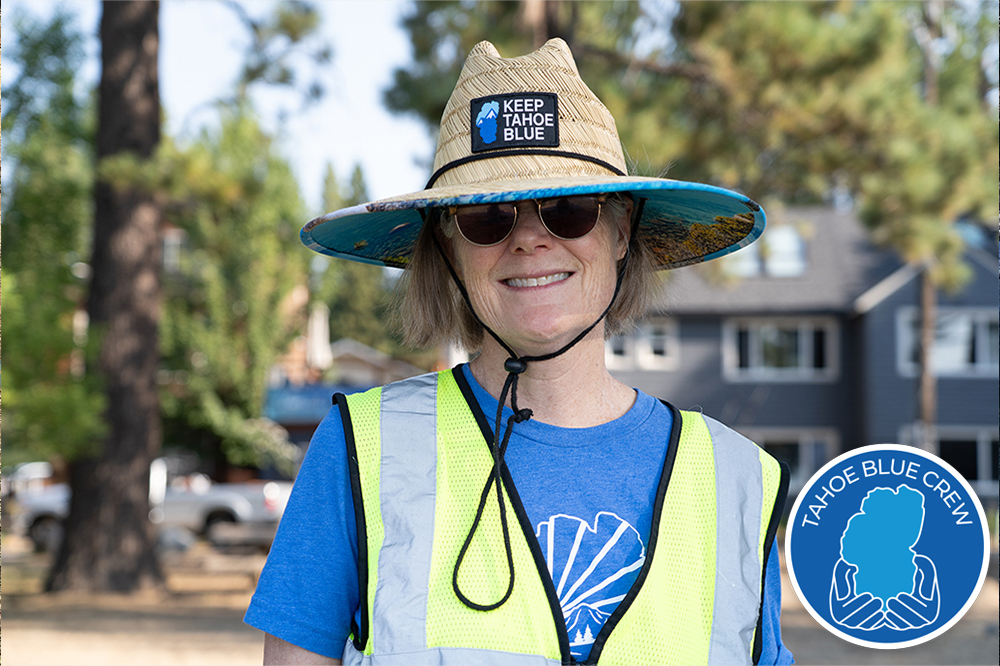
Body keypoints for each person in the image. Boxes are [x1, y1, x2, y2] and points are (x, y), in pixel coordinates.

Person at [245, 38, 792, 666]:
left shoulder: (741, 481)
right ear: (448, 252)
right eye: (486, 216)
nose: (530, 239)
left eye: (568, 209)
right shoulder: (360, 450)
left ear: (620, 232)